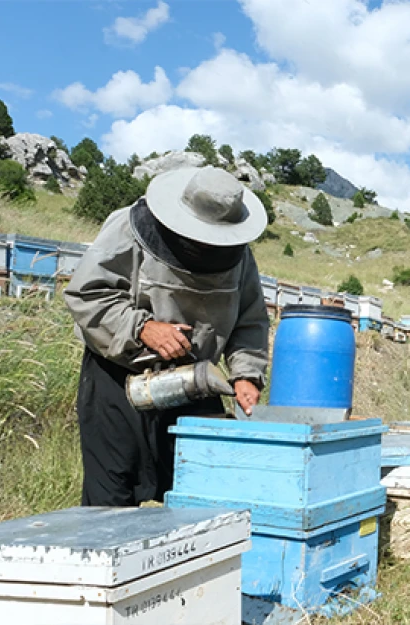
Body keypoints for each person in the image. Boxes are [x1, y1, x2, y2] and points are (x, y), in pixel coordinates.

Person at [64, 166, 270, 507]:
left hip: (196, 383)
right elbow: (86, 295)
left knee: (199, 494)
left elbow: (250, 321)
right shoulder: (128, 227)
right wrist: (142, 328)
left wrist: (247, 374)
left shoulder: (239, 256)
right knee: (111, 498)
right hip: (119, 377)